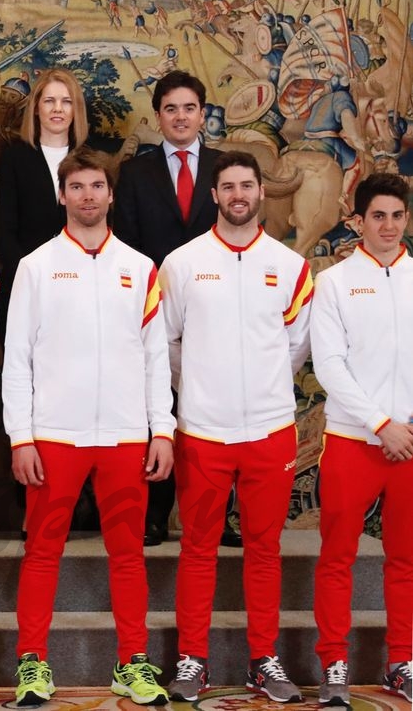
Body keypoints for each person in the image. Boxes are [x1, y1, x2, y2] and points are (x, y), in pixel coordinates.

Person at [2, 148, 174, 706]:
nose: (88, 196)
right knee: (41, 553)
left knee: (128, 555)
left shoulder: (140, 267)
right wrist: (21, 435)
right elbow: (18, 359)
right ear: (62, 195)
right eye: (77, 187)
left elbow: (155, 357)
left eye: (97, 186)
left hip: (126, 437)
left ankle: (134, 662)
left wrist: (162, 429)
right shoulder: (36, 266)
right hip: (55, 436)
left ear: (110, 194)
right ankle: (32, 663)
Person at [160, 150, 313, 704]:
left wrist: (263, 388)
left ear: (261, 192)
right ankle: (192, 659)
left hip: (271, 430)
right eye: (228, 186)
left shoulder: (291, 266)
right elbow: (168, 344)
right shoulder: (181, 263)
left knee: (264, 549)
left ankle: (263, 660)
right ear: (215, 195)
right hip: (202, 430)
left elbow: (294, 347)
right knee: (197, 548)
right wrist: (201, 384)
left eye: (248, 185)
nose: (239, 194)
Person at [112, 70, 235, 548]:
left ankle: (217, 518)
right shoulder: (136, 174)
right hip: (157, 309)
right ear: (158, 116)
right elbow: (127, 242)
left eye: (189, 108)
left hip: (217, 309)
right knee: (157, 409)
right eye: (170, 109)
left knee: (217, 413)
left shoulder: (227, 168)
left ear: (202, 114)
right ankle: (156, 515)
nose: (180, 117)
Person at [310, 173, 411, 705]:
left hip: (412, 443)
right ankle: (333, 666)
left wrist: (405, 426)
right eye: (378, 216)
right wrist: (380, 424)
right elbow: (329, 365)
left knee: (407, 559)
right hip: (354, 441)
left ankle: (402, 661)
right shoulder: (335, 282)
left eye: (397, 216)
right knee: (337, 557)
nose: (389, 226)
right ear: (358, 220)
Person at [0, 67, 87, 338]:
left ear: (75, 109)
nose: (57, 109)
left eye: (66, 101)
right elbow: (6, 230)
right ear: (36, 108)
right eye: (49, 101)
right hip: (27, 287)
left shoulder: (90, 159)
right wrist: (29, 278)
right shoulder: (14, 159)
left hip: (81, 286)